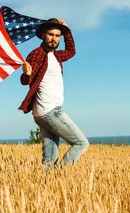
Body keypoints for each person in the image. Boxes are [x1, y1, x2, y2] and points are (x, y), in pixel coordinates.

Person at [19, 18, 89, 167]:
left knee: (49, 159)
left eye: (57, 36)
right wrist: (27, 74)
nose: (54, 39)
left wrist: (68, 32)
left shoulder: (56, 56)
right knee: (81, 143)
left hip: (42, 112)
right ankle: (59, 175)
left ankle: (46, 183)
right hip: (49, 110)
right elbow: (25, 81)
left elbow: (71, 51)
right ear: (43, 35)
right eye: (50, 34)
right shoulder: (37, 54)